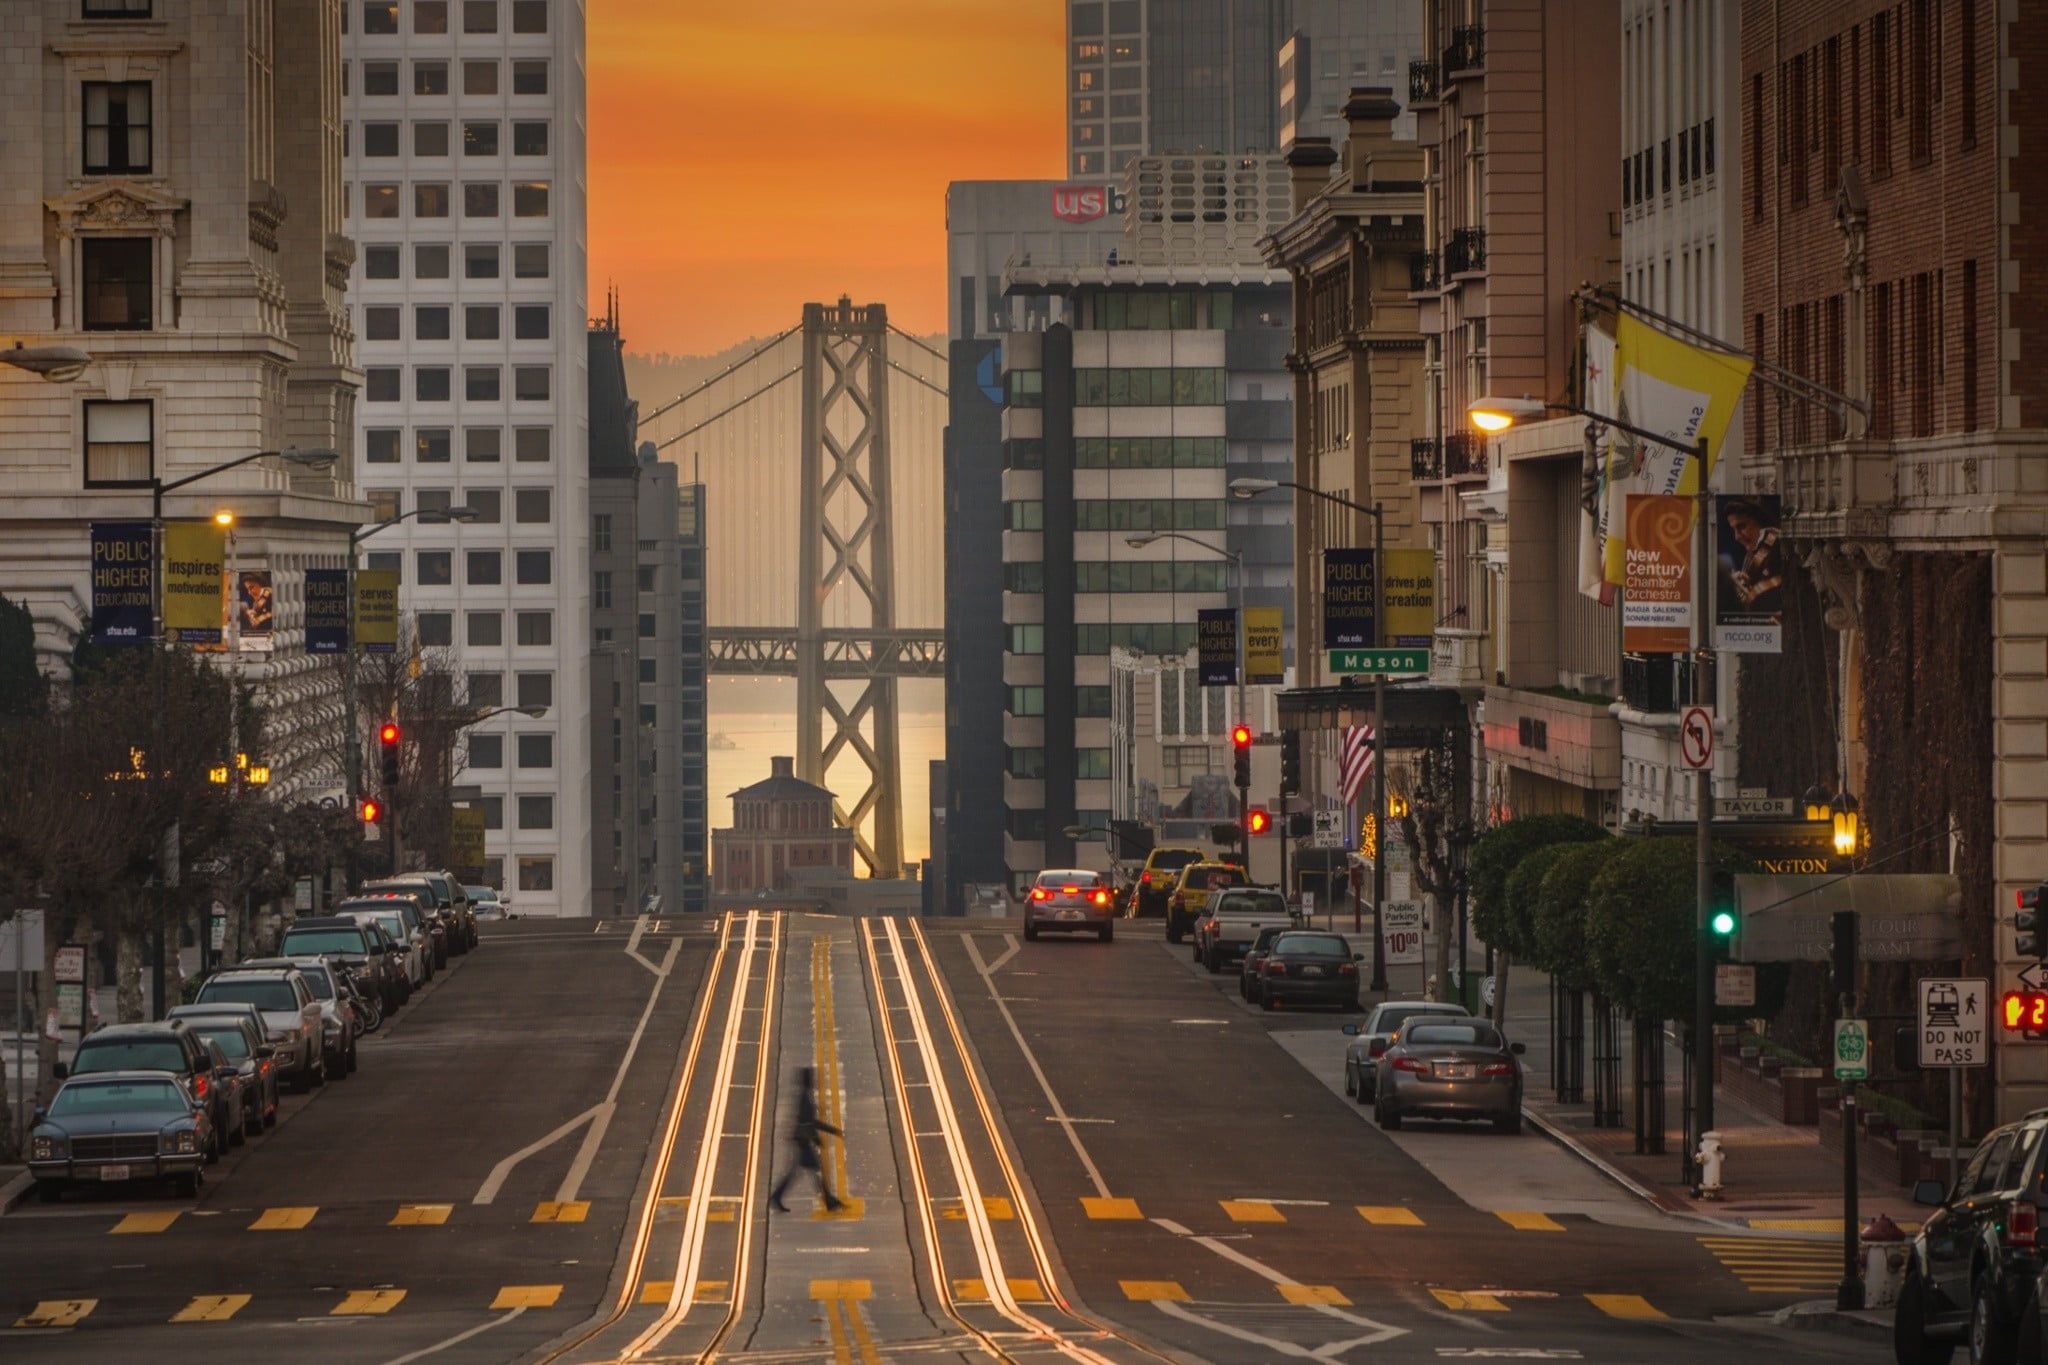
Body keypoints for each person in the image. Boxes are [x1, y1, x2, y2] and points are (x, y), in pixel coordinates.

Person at [769, 1065, 844, 1213]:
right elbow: (808, 1122)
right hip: (803, 1141)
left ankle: (778, 1197)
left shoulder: (805, 1096)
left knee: (800, 1172)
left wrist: (829, 1131)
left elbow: (809, 1122)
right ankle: (829, 1201)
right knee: (812, 1171)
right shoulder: (805, 1098)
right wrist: (825, 1134)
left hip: (802, 1140)